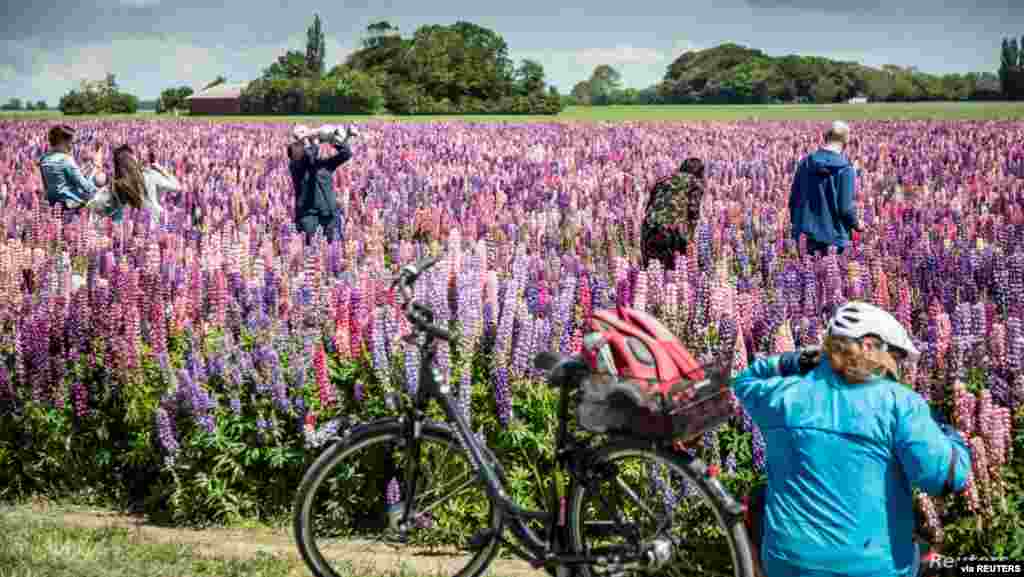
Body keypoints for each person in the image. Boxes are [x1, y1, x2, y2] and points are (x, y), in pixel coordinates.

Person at [732, 301, 971, 577]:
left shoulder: (784, 395)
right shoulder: (899, 402)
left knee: (760, 499)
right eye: (894, 355)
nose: (898, 367)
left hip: (789, 567)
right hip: (875, 569)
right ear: (869, 346)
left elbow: (744, 381)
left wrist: (793, 360)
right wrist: (952, 437)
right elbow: (945, 478)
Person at [789, 121, 862, 256]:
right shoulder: (846, 169)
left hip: (805, 236)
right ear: (846, 142)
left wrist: (797, 226)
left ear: (824, 137)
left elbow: (793, 199)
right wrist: (857, 224)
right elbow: (845, 208)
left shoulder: (805, 162)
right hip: (834, 239)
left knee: (806, 274)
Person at [287, 124, 355, 244]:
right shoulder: (295, 166)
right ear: (291, 153)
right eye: (298, 144)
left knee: (334, 249)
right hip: (308, 217)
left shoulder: (324, 165)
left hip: (330, 215)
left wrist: (333, 139)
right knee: (310, 254)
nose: (303, 145)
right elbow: (309, 156)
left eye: (303, 142)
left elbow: (346, 153)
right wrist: (313, 135)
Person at [86, 144, 182, 224]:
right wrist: (159, 167)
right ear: (133, 159)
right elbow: (177, 187)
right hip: (155, 227)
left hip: (130, 230)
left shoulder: (115, 186)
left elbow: (93, 206)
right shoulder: (150, 175)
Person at [640, 157, 705, 270]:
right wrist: (690, 239)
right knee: (683, 270)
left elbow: (649, 206)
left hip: (648, 228)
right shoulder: (694, 182)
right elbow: (693, 212)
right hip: (670, 232)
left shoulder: (663, 179)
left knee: (650, 271)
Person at [38, 124, 107, 212]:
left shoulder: (44, 159)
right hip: (69, 202)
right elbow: (84, 186)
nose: (72, 146)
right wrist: (101, 192)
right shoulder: (65, 160)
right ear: (63, 142)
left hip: (51, 201)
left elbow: (47, 186)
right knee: (99, 177)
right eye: (71, 143)